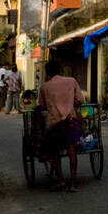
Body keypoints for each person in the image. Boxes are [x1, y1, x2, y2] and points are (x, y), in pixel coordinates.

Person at [39, 59, 83, 192]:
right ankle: (73, 184)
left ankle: (61, 181)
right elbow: (80, 100)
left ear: (48, 73)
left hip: (55, 125)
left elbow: (42, 105)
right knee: (72, 152)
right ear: (60, 70)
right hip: (70, 122)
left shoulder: (44, 87)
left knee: (55, 152)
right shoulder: (71, 81)